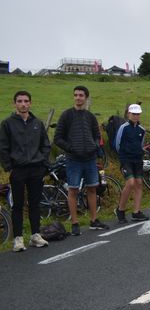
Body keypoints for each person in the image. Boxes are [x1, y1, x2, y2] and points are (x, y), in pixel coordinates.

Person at [53, 85, 110, 235]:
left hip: (90, 159)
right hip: (73, 160)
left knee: (92, 189)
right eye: (76, 95)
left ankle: (94, 220)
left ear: (86, 98)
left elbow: (97, 135)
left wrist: (95, 145)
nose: (78, 98)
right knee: (73, 190)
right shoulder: (66, 115)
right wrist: (71, 148)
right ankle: (75, 223)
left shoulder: (90, 116)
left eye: (81, 95)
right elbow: (57, 138)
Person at [0, 90, 51, 251]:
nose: (23, 104)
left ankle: (35, 235)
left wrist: (42, 163)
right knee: (17, 205)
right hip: (18, 170)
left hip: (36, 169)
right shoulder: (7, 124)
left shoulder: (37, 123)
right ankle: (18, 238)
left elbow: (45, 144)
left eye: (26, 101)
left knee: (35, 204)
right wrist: (9, 166)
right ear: (15, 103)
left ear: (30, 103)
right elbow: (3, 146)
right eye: (20, 101)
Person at [114, 104, 150, 223]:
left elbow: (140, 145)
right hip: (126, 159)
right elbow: (117, 144)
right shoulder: (123, 127)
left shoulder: (142, 130)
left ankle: (136, 211)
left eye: (138, 114)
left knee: (139, 183)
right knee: (130, 182)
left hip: (137, 159)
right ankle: (120, 209)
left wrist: (142, 151)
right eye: (133, 114)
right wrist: (124, 156)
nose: (135, 116)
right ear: (129, 114)